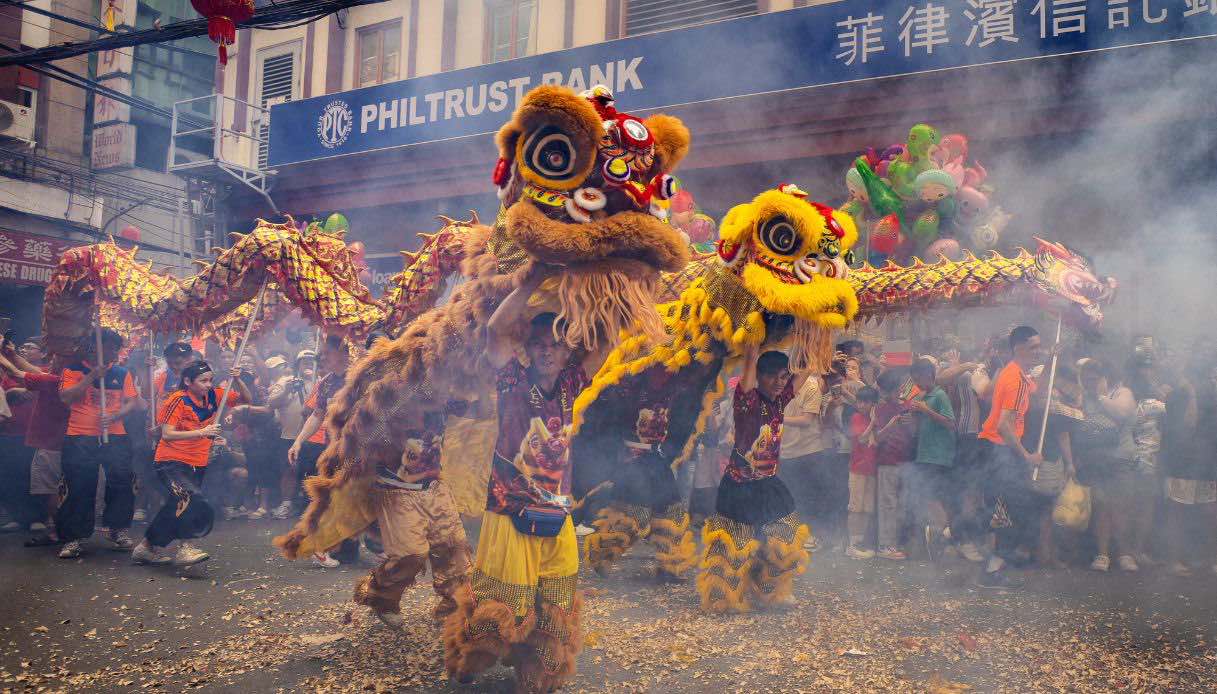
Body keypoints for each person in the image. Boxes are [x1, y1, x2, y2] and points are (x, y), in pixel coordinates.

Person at [444, 267, 592, 692]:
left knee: (555, 603)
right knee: (506, 605)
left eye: (557, 345)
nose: (548, 352)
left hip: (558, 513)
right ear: (527, 350)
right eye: (540, 345)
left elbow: (606, 340)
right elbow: (495, 331)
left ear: (567, 352)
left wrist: (592, 287)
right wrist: (533, 280)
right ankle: (469, 657)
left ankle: (534, 671)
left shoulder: (573, 383)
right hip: (510, 511)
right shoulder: (512, 380)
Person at [696, 345, 812, 613]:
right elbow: (749, 366)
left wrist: (813, 336)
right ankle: (723, 597)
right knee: (734, 547)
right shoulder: (747, 400)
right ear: (759, 375)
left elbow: (809, 367)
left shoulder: (781, 400)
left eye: (784, 377)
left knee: (785, 534)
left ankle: (768, 588)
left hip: (768, 484)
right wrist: (752, 347)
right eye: (772, 376)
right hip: (739, 485)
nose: (779, 382)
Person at [131, 360, 249, 566]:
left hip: (198, 461)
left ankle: (145, 547)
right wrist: (202, 432)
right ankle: (186, 548)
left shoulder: (215, 395)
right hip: (171, 462)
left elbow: (246, 399)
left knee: (175, 506)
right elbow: (167, 434)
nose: (208, 384)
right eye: (203, 380)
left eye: (210, 380)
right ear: (188, 381)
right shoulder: (178, 400)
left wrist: (237, 379)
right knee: (191, 498)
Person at [966, 326, 1046, 589]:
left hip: (994, 449)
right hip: (1000, 450)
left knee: (1001, 511)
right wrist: (1027, 456)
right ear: (1018, 348)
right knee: (1014, 510)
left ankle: (990, 565)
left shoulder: (1015, 372)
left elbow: (1034, 389)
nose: (1038, 351)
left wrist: (1053, 360)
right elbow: (1004, 425)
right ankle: (961, 535)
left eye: (1039, 346)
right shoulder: (1015, 379)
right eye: (1034, 347)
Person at [56, 328, 143, 559]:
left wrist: (116, 416)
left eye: (116, 347)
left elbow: (131, 402)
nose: (114, 351)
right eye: (110, 347)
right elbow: (66, 397)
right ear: (95, 347)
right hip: (80, 436)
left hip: (115, 435)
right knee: (79, 485)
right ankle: (73, 538)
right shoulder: (73, 370)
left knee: (122, 480)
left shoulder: (122, 373)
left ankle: (117, 529)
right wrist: (92, 377)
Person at [288, 336, 353, 567]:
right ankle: (319, 546)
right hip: (335, 449)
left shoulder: (360, 377)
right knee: (333, 497)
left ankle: (346, 549)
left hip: (360, 446)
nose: (322, 358)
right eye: (322, 354)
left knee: (352, 498)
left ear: (343, 352)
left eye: (326, 353)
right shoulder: (326, 382)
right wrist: (298, 441)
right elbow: (317, 415)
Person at [0, 341, 70, 545]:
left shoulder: (55, 378)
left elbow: (18, 374)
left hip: (51, 441)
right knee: (48, 486)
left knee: (50, 489)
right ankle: (55, 529)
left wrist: (3, 358)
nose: (52, 358)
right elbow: (29, 370)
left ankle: (55, 530)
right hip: (47, 439)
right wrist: (11, 354)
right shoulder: (59, 376)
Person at [1074, 358, 1140, 572]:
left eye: (1094, 378)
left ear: (1105, 377)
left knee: (1121, 506)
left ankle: (1125, 554)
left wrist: (1101, 396)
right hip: (1096, 460)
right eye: (1087, 379)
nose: (1090, 382)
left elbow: (1122, 413)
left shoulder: (1123, 393)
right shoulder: (1083, 396)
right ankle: (1102, 554)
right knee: (1101, 506)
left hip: (1120, 459)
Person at [1161, 361, 1217, 576]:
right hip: (1182, 464)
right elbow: (1187, 425)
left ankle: (1209, 560)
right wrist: (1192, 394)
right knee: (1178, 513)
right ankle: (1174, 560)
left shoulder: (1212, 396)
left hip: (1207, 464)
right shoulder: (1178, 396)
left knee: (1210, 513)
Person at [908, 358, 956, 560]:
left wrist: (926, 410)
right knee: (927, 495)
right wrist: (913, 417)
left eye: (918, 378)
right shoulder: (924, 396)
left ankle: (945, 531)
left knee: (932, 494)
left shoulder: (940, 395)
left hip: (938, 455)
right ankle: (939, 534)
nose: (916, 383)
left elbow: (951, 423)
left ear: (928, 375)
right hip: (925, 453)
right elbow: (918, 429)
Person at [871, 368, 915, 561]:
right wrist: (892, 424)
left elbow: (913, 433)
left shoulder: (907, 406)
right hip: (887, 461)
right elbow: (877, 438)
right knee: (888, 504)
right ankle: (885, 545)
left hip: (905, 461)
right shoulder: (880, 409)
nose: (898, 391)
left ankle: (896, 542)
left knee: (901, 504)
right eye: (896, 388)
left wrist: (911, 423)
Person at [267, 350, 314, 519]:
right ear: (298, 364)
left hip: (314, 436)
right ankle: (286, 504)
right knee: (289, 470)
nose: (309, 364)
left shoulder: (322, 382)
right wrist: (287, 390)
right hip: (290, 435)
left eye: (312, 361)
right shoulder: (286, 381)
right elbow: (271, 403)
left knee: (311, 471)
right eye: (305, 361)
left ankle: (311, 507)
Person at [845, 387, 880, 559]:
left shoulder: (872, 418)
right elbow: (862, 438)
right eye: (859, 401)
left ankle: (860, 543)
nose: (861, 405)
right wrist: (873, 422)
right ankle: (852, 544)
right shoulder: (857, 417)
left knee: (867, 508)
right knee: (856, 507)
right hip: (858, 469)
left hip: (871, 469)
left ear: (873, 404)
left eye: (865, 402)